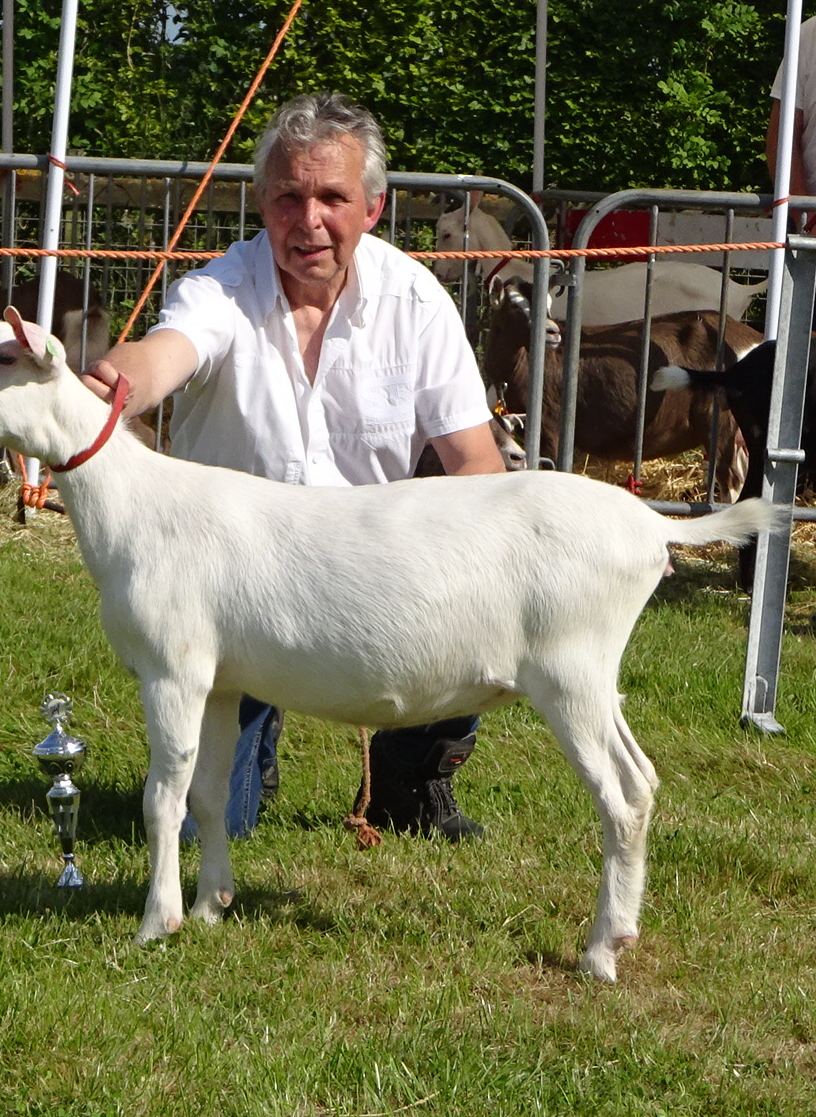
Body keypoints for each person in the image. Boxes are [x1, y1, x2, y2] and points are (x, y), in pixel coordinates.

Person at [82, 92, 506, 842]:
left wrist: (471, 569)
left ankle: (413, 777)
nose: (308, 220)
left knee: (479, 595)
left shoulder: (419, 303)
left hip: (372, 586)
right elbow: (162, 355)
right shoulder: (219, 289)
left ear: (373, 207)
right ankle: (255, 738)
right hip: (234, 595)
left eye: (332, 197)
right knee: (204, 830)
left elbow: (476, 463)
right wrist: (113, 382)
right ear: (262, 201)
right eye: (288, 197)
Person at [767, 9, 816, 328]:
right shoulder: (811, 34)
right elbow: (781, 140)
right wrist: (810, 221)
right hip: (814, 235)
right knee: (793, 357)